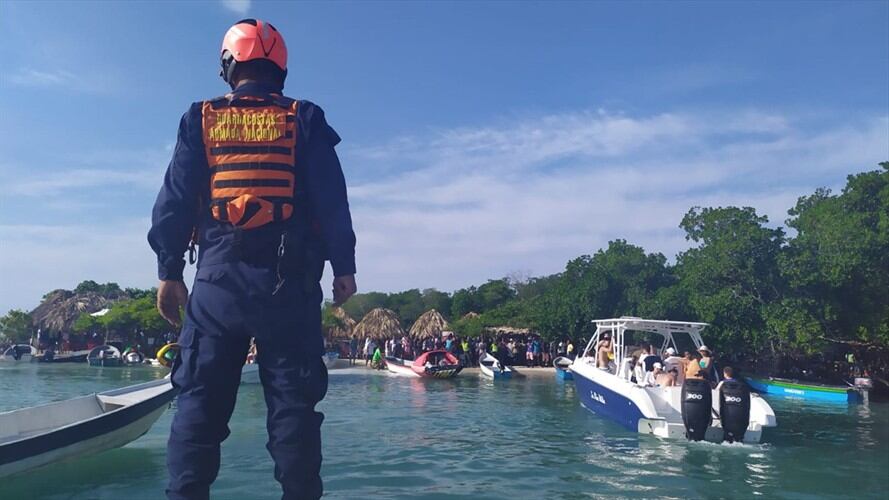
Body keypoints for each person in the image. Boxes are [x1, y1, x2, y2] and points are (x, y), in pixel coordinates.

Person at [149, 19, 357, 500]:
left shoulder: (199, 118)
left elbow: (175, 200)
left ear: (228, 65)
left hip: (217, 283)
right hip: (290, 284)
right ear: (280, 67)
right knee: (293, 411)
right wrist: (343, 265)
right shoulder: (304, 117)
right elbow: (332, 200)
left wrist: (169, 271)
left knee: (199, 409)